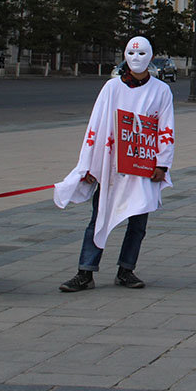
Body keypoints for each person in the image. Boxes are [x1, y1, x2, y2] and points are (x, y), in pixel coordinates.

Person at [54, 36, 174, 292]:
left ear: (151, 56)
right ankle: (85, 272)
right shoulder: (111, 88)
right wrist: (89, 166)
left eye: (142, 53)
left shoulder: (161, 90)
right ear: (125, 56)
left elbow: (166, 128)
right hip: (111, 165)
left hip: (142, 167)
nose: (137, 58)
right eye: (131, 53)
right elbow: (95, 127)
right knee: (99, 216)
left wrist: (162, 164)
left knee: (138, 222)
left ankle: (126, 270)